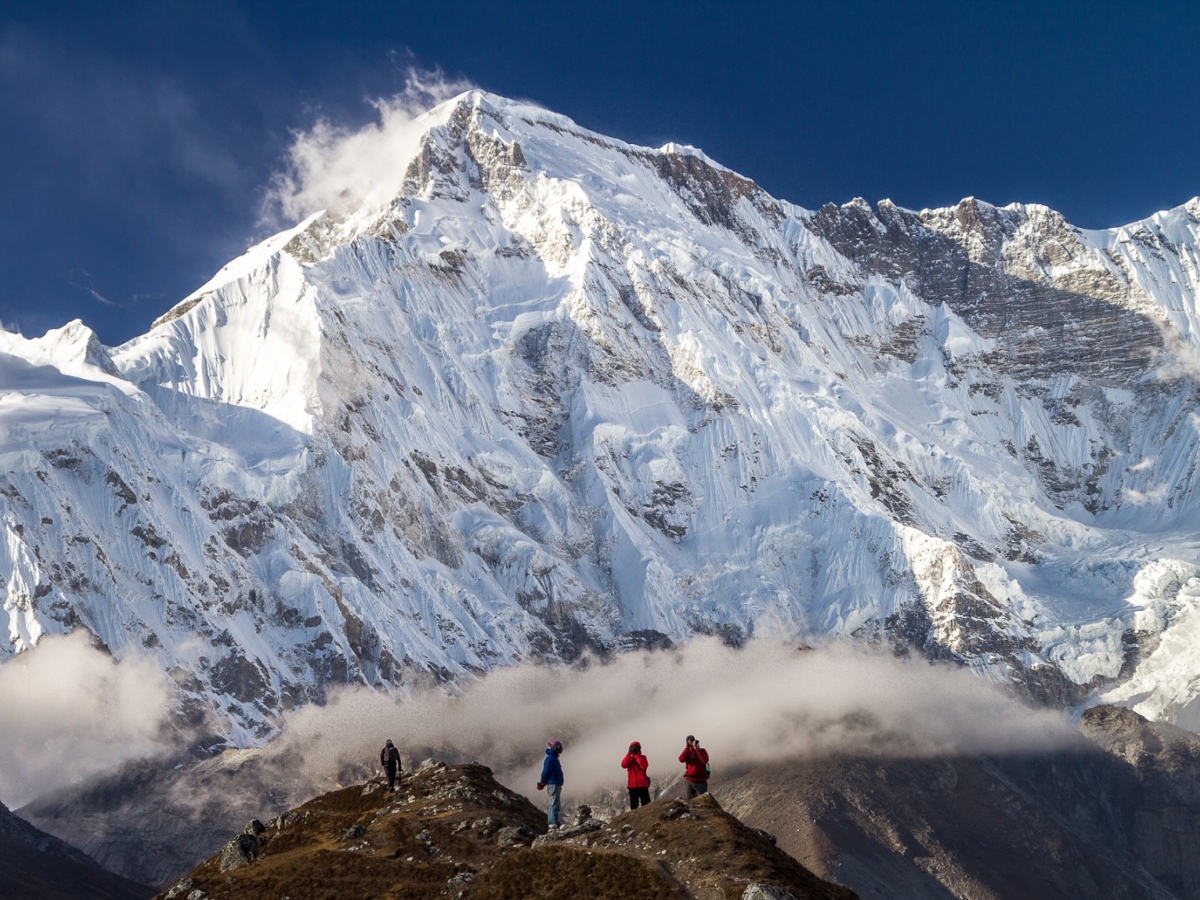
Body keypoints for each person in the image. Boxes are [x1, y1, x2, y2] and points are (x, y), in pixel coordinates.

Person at [536, 739, 565, 829]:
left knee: (555, 803)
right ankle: (552, 823)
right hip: (553, 784)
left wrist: (543, 783)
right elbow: (546, 771)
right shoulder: (550, 758)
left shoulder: (553, 758)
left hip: (555, 783)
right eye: (558, 747)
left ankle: (555, 822)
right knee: (554, 804)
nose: (559, 749)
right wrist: (542, 782)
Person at [621, 741, 651, 809]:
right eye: (632, 748)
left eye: (635, 748)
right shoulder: (629, 759)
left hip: (642, 785)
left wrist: (636, 756)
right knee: (634, 805)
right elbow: (623, 765)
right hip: (632, 786)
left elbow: (644, 766)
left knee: (646, 804)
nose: (634, 749)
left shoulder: (643, 757)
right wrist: (629, 754)